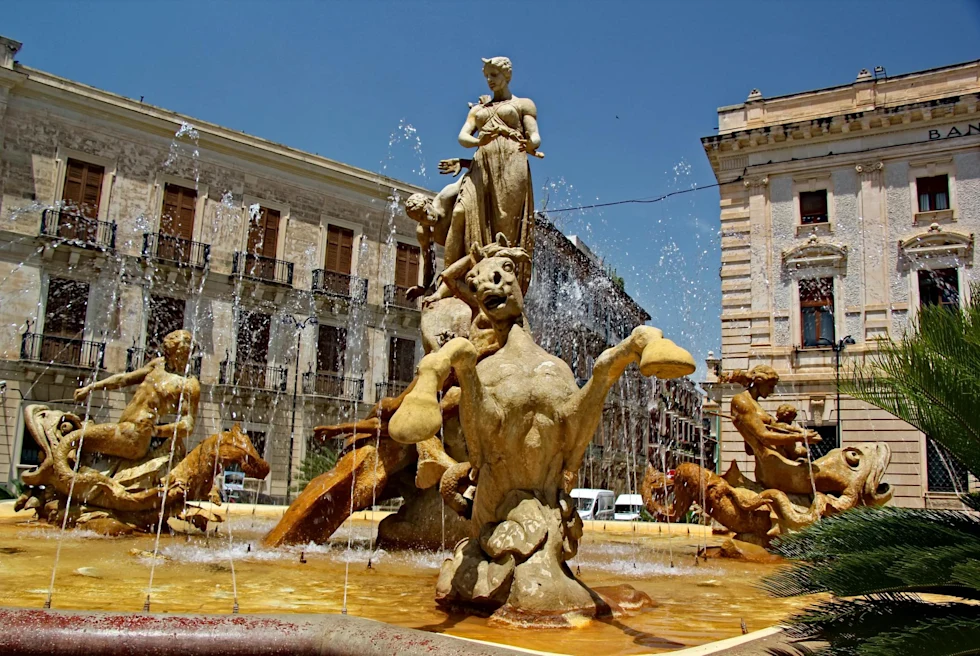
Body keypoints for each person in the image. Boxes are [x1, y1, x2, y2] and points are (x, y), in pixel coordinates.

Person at [452, 57, 540, 293]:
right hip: (482, 165)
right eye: (487, 76)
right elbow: (463, 136)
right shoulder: (479, 110)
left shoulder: (523, 104)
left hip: (512, 162)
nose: (490, 80)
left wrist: (530, 144)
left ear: (507, 76)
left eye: (494, 75)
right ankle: (451, 282)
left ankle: (502, 285)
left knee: (505, 226)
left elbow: (534, 136)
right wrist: (478, 141)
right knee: (461, 212)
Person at [70, 329, 201, 462]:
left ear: (183, 353)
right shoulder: (159, 364)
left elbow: (188, 425)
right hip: (124, 427)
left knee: (74, 439)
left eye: (170, 353)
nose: (166, 356)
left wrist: (157, 431)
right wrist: (91, 387)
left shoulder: (189, 384)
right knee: (79, 441)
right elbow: (124, 379)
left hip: (136, 436)